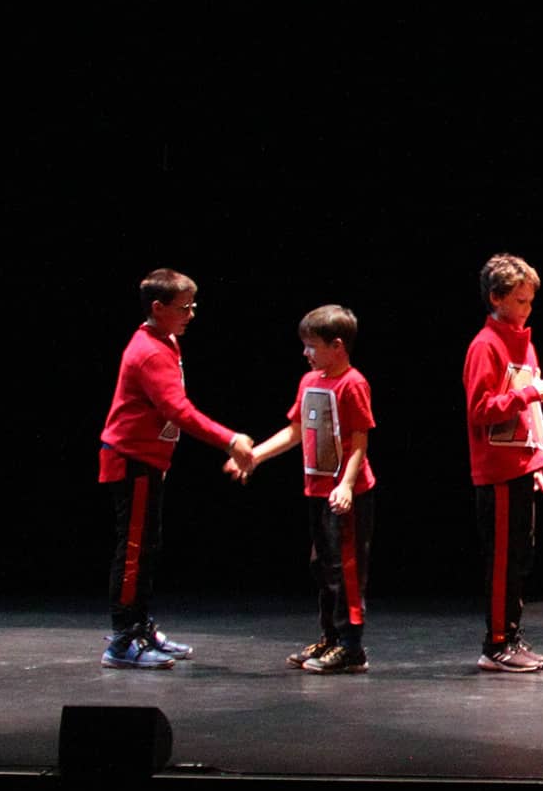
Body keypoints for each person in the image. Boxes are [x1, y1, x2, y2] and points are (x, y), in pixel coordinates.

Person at [95, 269, 254, 670]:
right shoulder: (148, 350)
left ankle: (140, 628)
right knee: (132, 552)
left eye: (193, 306)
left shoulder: (165, 341)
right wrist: (230, 438)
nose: (191, 314)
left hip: (148, 460)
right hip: (131, 460)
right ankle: (123, 640)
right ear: (157, 307)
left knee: (146, 548)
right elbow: (177, 410)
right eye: (184, 307)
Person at [235, 305, 379, 675]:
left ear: (337, 346)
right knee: (322, 567)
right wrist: (255, 456)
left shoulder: (353, 383)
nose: (306, 353)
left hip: (347, 494)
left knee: (346, 569)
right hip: (316, 490)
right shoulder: (309, 381)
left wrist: (347, 485)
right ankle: (331, 637)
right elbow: (296, 431)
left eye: (312, 346)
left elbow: (360, 441)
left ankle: (352, 647)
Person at [461, 254, 543, 674]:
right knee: (502, 559)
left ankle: (510, 633)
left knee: (519, 558)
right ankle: (495, 643)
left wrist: (538, 460)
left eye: (530, 301)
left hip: (520, 466)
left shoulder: (523, 343)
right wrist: (532, 393)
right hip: (497, 471)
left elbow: (530, 411)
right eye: (520, 301)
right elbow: (481, 410)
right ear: (496, 298)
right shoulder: (485, 345)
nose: (527, 309)